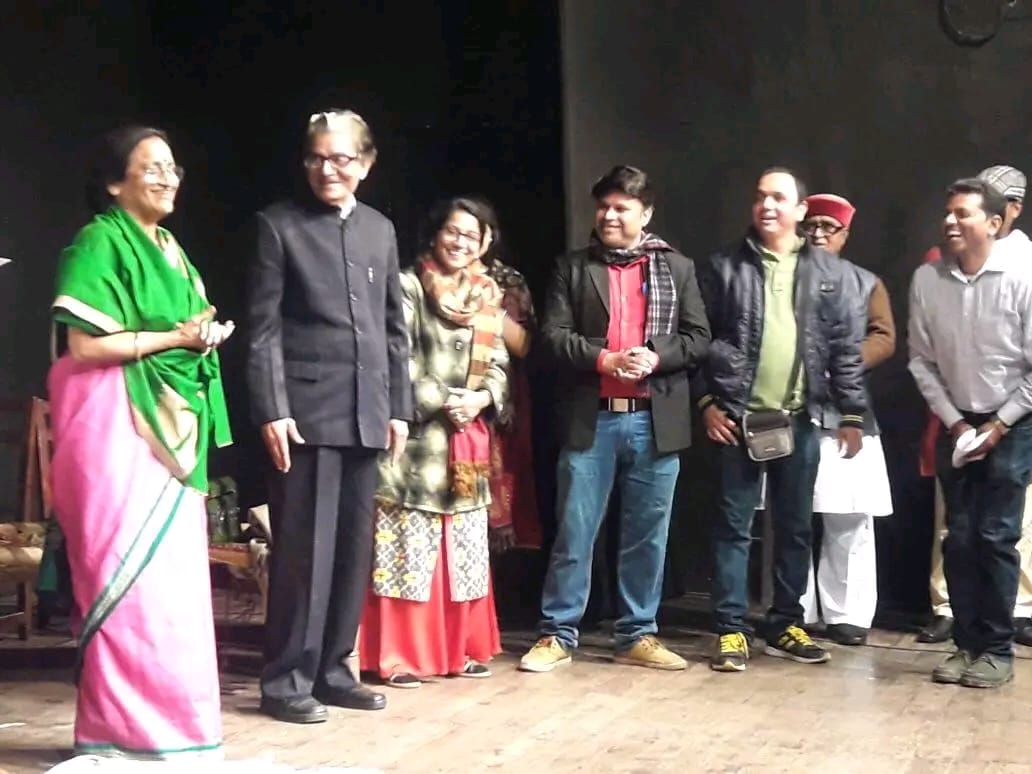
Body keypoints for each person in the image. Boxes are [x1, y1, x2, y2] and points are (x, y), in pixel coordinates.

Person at [49, 125, 233, 758]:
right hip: (115, 428)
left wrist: (201, 338)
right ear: (112, 182)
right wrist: (176, 339)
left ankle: (179, 734)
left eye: (172, 167)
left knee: (172, 586)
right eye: (151, 167)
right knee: (127, 578)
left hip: (173, 426)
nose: (167, 177)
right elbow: (84, 346)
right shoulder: (97, 242)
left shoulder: (174, 251)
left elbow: (189, 325)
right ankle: (118, 732)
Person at [247, 109, 412, 723]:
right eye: (316, 157)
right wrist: (272, 408)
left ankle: (336, 671)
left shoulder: (379, 229)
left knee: (351, 551)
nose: (327, 169)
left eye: (341, 158)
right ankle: (286, 681)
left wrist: (398, 407)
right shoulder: (278, 226)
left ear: (365, 164)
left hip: (367, 411)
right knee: (303, 556)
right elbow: (263, 330)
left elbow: (393, 328)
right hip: (306, 415)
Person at [519, 165, 710, 673]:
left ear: (645, 214)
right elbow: (553, 336)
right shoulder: (573, 268)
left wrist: (656, 356)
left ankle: (637, 634)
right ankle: (557, 633)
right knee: (575, 533)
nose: (608, 215)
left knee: (648, 537)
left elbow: (698, 339)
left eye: (621, 207)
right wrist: (606, 359)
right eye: (603, 206)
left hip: (654, 421)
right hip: (593, 420)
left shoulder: (677, 269)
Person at [696, 168, 867, 673]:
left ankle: (785, 623)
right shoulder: (723, 266)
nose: (767, 206)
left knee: (794, 527)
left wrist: (852, 413)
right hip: (736, 419)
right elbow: (696, 340)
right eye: (760, 197)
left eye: (778, 198)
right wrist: (706, 403)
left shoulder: (829, 272)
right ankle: (730, 628)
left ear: (800, 211)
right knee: (732, 527)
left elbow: (844, 349)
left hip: (799, 420)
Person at [360, 197, 509, 686]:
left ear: (484, 243)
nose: (460, 242)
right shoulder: (406, 285)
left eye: (471, 235)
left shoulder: (486, 294)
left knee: (462, 555)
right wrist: (446, 398)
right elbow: (395, 360)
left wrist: (483, 397)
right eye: (452, 232)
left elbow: (501, 362)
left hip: (467, 444)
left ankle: (457, 651)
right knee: (408, 552)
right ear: (435, 234)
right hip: (417, 446)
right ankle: (398, 658)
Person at [909, 177, 1032, 688]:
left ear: (996, 223)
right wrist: (958, 423)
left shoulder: (1023, 274)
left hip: (1015, 420)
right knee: (958, 538)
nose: (950, 221)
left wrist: (999, 424)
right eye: (948, 212)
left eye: (963, 213)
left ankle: (997, 650)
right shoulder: (928, 279)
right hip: (958, 420)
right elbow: (920, 361)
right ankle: (966, 644)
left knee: (995, 536)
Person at [798, 193, 895, 646]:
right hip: (791, 409)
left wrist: (844, 363)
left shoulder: (865, 282)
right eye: (811, 226)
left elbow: (883, 336)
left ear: (845, 234)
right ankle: (792, 608)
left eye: (827, 227)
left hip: (847, 411)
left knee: (850, 517)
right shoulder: (779, 277)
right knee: (790, 515)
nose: (818, 234)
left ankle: (848, 614)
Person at [473, 202, 542, 552]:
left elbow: (526, 345)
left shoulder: (506, 280)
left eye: (474, 232)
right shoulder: (427, 278)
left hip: (498, 391)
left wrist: (488, 310)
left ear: (489, 237)